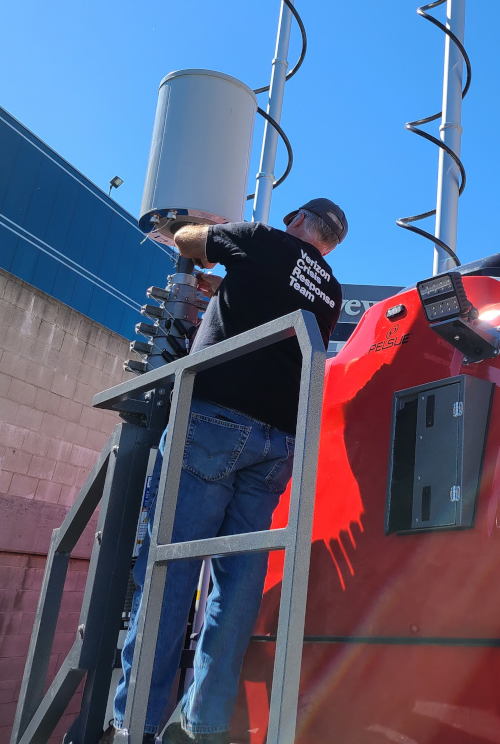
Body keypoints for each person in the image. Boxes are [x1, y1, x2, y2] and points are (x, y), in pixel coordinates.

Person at [106, 198, 346, 744]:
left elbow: (191, 243)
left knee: (168, 569)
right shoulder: (328, 288)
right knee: (236, 587)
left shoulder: (262, 239)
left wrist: (200, 229)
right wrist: (225, 286)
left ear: (296, 220)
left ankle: (136, 721)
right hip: (277, 444)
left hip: (215, 420)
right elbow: (271, 302)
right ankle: (205, 721)